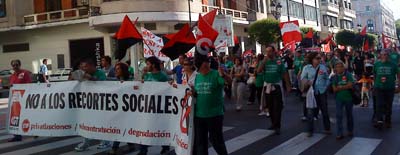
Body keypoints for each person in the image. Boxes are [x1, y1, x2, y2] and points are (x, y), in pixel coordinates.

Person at [192, 55, 230, 155]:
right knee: (201, 143)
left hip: (214, 115)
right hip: (199, 115)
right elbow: (196, 93)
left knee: (216, 141)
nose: (206, 64)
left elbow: (228, 82)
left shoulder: (216, 74)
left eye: (207, 62)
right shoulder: (196, 76)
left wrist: (223, 74)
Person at [74, 59, 108, 151]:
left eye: (85, 66)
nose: (83, 69)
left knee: (102, 122)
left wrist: (89, 77)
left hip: (100, 103)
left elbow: (103, 85)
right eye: (82, 67)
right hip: (88, 103)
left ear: (92, 66)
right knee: (86, 122)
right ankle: (86, 143)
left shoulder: (100, 73)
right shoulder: (83, 74)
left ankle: (106, 141)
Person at [257, 46, 291, 135]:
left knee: (277, 107)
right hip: (267, 86)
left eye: (270, 51)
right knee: (270, 106)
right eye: (267, 51)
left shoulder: (279, 61)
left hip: (276, 86)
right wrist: (263, 62)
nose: (268, 53)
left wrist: (288, 85)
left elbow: (284, 73)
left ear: (274, 52)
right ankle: (273, 123)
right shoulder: (264, 62)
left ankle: (277, 126)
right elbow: (258, 71)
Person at [139, 56, 170, 155]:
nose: (146, 66)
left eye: (148, 64)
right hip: (148, 107)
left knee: (160, 127)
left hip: (159, 107)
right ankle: (143, 150)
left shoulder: (163, 76)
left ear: (153, 65)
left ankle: (165, 146)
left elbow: (168, 90)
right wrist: (142, 76)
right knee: (144, 127)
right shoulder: (147, 75)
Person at [300, 52, 331, 137]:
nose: (319, 60)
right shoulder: (306, 68)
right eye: (317, 58)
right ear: (312, 59)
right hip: (311, 92)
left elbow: (327, 79)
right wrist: (308, 82)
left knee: (325, 111)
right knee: (310, 112)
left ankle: (327, 128)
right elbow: (303, 78)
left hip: (321, 92)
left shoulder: (323, 67)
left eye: (319, 58)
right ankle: (310, 130)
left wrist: (325, 87)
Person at [109, 62, 136, 155]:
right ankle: (131, 145)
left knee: (121, 127)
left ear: (123, 70)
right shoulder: (114, 81)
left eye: (118, 69)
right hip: (119, 109)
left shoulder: (131, 81)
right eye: (115, 69)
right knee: (123, 127)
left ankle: (114, 148)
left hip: (128, 110)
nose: (115, 71)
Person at [373, 50, 400, 129]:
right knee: (379, 104)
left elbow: (398, 76)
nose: (384, 56)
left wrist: (398, 86)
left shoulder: (394, 65)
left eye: (386, 55)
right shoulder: (377, 64)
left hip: (390, 88)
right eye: (383, 55)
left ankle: (388, 120)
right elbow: (374, 74)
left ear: (388, 56)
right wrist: (374, 85)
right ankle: (379, 120)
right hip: (379, 87)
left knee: (388, 105)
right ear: (380, 56)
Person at [8, 59, 32, 142]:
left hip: (25, 99)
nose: (15, 66)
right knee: (15, 118)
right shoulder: (12, 76)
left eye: (16, 65)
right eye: (13, 65)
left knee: (29, 116)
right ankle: (17, 136)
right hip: (16, 101)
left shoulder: (25, 73)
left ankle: (35, 131)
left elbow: (29, 84)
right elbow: (11, 87)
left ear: (19, 65)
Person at [332, 61, 354, 140]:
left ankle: (350, 130)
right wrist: (345, 86)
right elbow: (334, 89)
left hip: (349, 98)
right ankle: (339, 133)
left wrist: (340, 87)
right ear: (335, 68)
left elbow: (351, 85)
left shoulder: (348, 74)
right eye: (337, 67)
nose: (339, 68)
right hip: (339, 99)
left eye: (341, 66)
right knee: (339, 116)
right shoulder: (334, 77)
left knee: (349, 115)